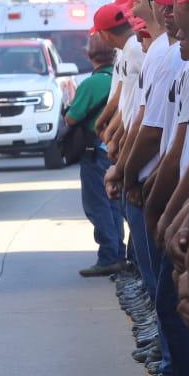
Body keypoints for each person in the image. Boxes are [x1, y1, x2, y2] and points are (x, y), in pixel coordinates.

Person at [70, 15, 126, 277]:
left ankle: (107, 256)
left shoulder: (91, 83)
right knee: (114, 204)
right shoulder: (118, 76)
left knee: (97, 205)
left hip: (95, 153)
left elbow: (72, 117)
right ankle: (119, 253)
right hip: (118, 149)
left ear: (90, 55)